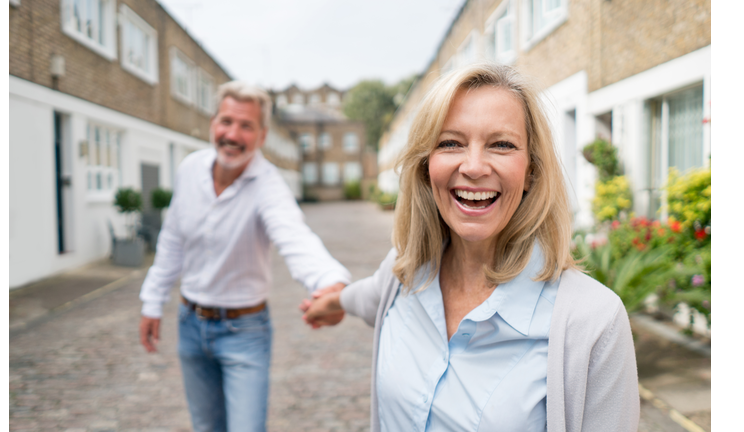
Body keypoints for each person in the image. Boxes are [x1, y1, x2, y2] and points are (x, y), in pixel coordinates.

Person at [301, 63, 640, 432]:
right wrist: (331, 302)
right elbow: (366, 296)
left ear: (531, 171)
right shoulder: (404, 274)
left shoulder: (593, 322)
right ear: (425, 167)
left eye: (502, 144)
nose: (474, 166)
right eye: (450, 143)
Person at [139, 80, 350, 432]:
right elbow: (172, 239)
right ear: (213, 123)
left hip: (244, 331)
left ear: (262, 136)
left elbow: (295, 238)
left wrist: (332, 284)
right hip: (190, 324)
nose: (232, 134)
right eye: (226, 121)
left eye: (246, 126)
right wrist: (151, 300)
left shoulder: (269, 186)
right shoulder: (190, 169)